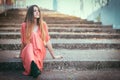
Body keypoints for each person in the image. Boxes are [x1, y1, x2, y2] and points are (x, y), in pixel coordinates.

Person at [20, 5, 62, 78]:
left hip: (39, 50)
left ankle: (33, 67)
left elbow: (47, 40)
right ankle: (34, 67)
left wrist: (53, 56)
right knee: (29, 46)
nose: (37, 12)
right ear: (30, 13)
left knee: (35, 37)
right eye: (35, 11)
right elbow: (23, 42)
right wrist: (20, 54)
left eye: (38, 10)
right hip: (28, 50)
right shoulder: (24, 26)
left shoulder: (43, 25)